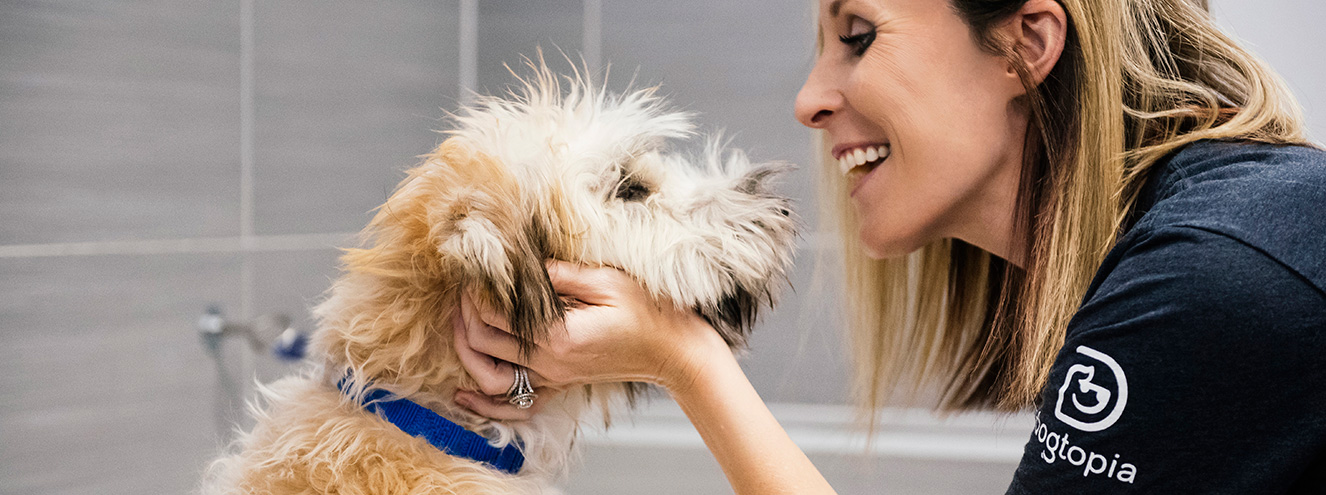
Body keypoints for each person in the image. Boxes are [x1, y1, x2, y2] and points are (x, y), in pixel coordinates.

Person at [451, 0, 1326, 492]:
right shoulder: (1211, 244)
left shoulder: (1211, 276)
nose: (808, 99)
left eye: (858, 36)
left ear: (1027, 44)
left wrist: (689, 361)